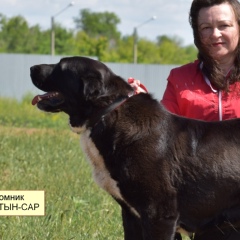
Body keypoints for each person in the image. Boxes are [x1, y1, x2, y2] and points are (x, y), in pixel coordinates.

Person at [129, 0, 240, 239]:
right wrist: (140, 105)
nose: (215, 34)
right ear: (196, 33)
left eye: (224, 25)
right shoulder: (180, 78)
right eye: (206, 28)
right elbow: (162, 132)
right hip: (200, 196)